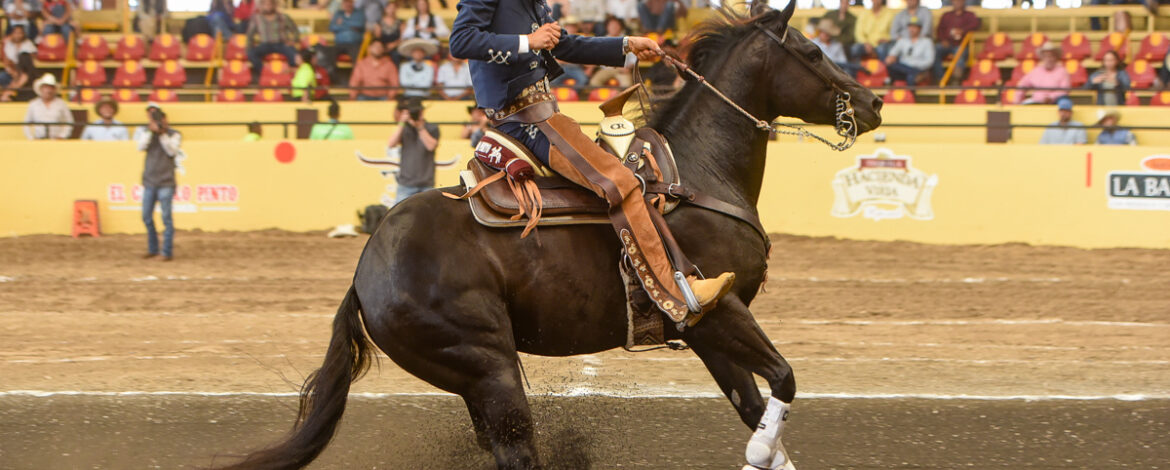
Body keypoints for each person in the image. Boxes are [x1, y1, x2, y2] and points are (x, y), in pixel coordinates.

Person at [449, 0, 737, 320]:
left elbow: (565, 44)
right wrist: (528, 41)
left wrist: (626, 44)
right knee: (621, 181)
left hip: (545, 117)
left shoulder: (534, 4)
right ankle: (679, 292)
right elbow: (461, 40)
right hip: (529, 122)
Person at [136, 105, 183, 261]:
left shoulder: (174, 134)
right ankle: (153, 248)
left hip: (166, 182)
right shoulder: (146, 133)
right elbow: (140, 146)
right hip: (150, 181)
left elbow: (171, 151)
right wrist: (151, 132)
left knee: (166, 218)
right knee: (146, 217)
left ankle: (166, 251)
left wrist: (162, 134)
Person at [386, 98, 439, 205]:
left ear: (422, 112)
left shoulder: (431, 128)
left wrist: (420, 127)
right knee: (400, 213)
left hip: (426, 183)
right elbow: (391, 144)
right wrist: (401, 123)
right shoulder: (404, 128)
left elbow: (431, 146)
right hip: (406, 183)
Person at [932, 0, 980, 85]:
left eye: (959, 1)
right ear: (952, 2)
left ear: (964, 2)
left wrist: (962, 30)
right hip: (946, 43)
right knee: (934, 50)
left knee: (960, 54)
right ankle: (940, 78)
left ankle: (956, 80)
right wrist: (943, 40)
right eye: (955, 1)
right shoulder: (946, 15)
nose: (957, 3)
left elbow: (975, 24)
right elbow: (939, 29)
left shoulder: (969, 15)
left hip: (962, 44)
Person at [245, 0, 299, 72]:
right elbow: (250, 34)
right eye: (265, 4)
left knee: (294, 54)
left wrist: (293, 41)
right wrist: (250, 46)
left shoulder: (283, 17)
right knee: (251, 53)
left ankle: (290, 72)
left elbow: (295, 30)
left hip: (281, 44)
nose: (268, 6)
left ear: (274, 5)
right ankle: (264, 71)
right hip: (265, 45)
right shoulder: (257, 18)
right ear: (262, 6)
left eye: (270, 4)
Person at [588, 16, 635, 88]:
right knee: (594, 83)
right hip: (606, 70)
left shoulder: (627, 40)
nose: (614, 27)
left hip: (622, 70)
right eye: (611, 25)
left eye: (616, 25)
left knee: (627, 86)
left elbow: (633, 59)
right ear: (607, 27)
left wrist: (628, 68)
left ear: (621, 27)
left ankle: (619, 95)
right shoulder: (601, 40)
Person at [884, 17, 934, 85]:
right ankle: (915, 74)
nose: (912, 29)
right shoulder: (903, 40)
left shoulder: (927, 42)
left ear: (920, 28)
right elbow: (893, 53)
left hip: (918, 68)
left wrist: (914, 65)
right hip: (903, 68)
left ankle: (914, 77)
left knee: (910, 76)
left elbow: (929, 62)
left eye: (914, 27)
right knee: (891, 66)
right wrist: (891, 57)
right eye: (910, 26)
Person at [23, 74, 73, 140]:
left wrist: (62, 136)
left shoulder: (61, 104)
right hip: (38, 140)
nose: (49, 90)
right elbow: (26, 123)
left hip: (56, 140)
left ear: (54, 89)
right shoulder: (33, 104)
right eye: (46, 87)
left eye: (51, 87)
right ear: (41, 88)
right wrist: (31, 138)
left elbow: (69, 121)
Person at [1, 25, 35, 102]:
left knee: (6, 98)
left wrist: (6, 94)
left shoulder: (25, 75)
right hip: (14, 76)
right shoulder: (22, 74)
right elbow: (13, 84)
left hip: (23, 98)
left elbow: (16, 86)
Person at [329, 0, 366, 70]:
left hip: (354, 44)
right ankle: (332, 75)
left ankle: (357, 76)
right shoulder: (338, 13)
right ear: (343, 4)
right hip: (339, 44)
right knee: (329, 54)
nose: (347, 4)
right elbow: (332, 27)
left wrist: (342, 23)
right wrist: (351, 26)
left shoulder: (359, 13)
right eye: (345, 2)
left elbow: (359, 24)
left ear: (352, 3)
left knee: (358, 59)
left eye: (349, 2)